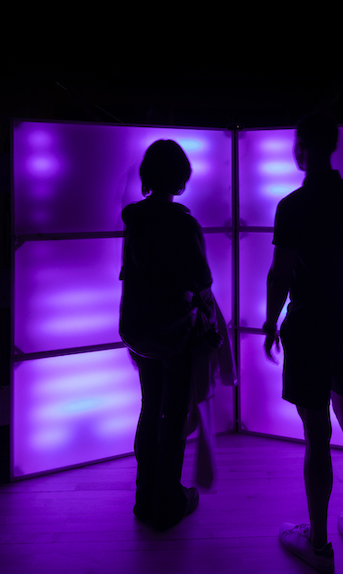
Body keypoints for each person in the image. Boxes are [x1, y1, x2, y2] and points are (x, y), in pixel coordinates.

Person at [264, 113, 343, 573]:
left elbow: (280, 274)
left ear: (300, 148)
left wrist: (270, 322)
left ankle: (318, 545)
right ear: (332, 146)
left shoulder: (293, 206)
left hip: (309, 324)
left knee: (317, 435)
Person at [119, 139, 218, 531]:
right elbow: (201, 281)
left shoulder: (134, 219)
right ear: (180, 178)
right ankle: (169, 501)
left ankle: (144, 499)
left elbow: (130, 275)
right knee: (174, 415)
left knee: (149, 408)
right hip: (176, 332)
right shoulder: (183, 224)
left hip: (140, 331)